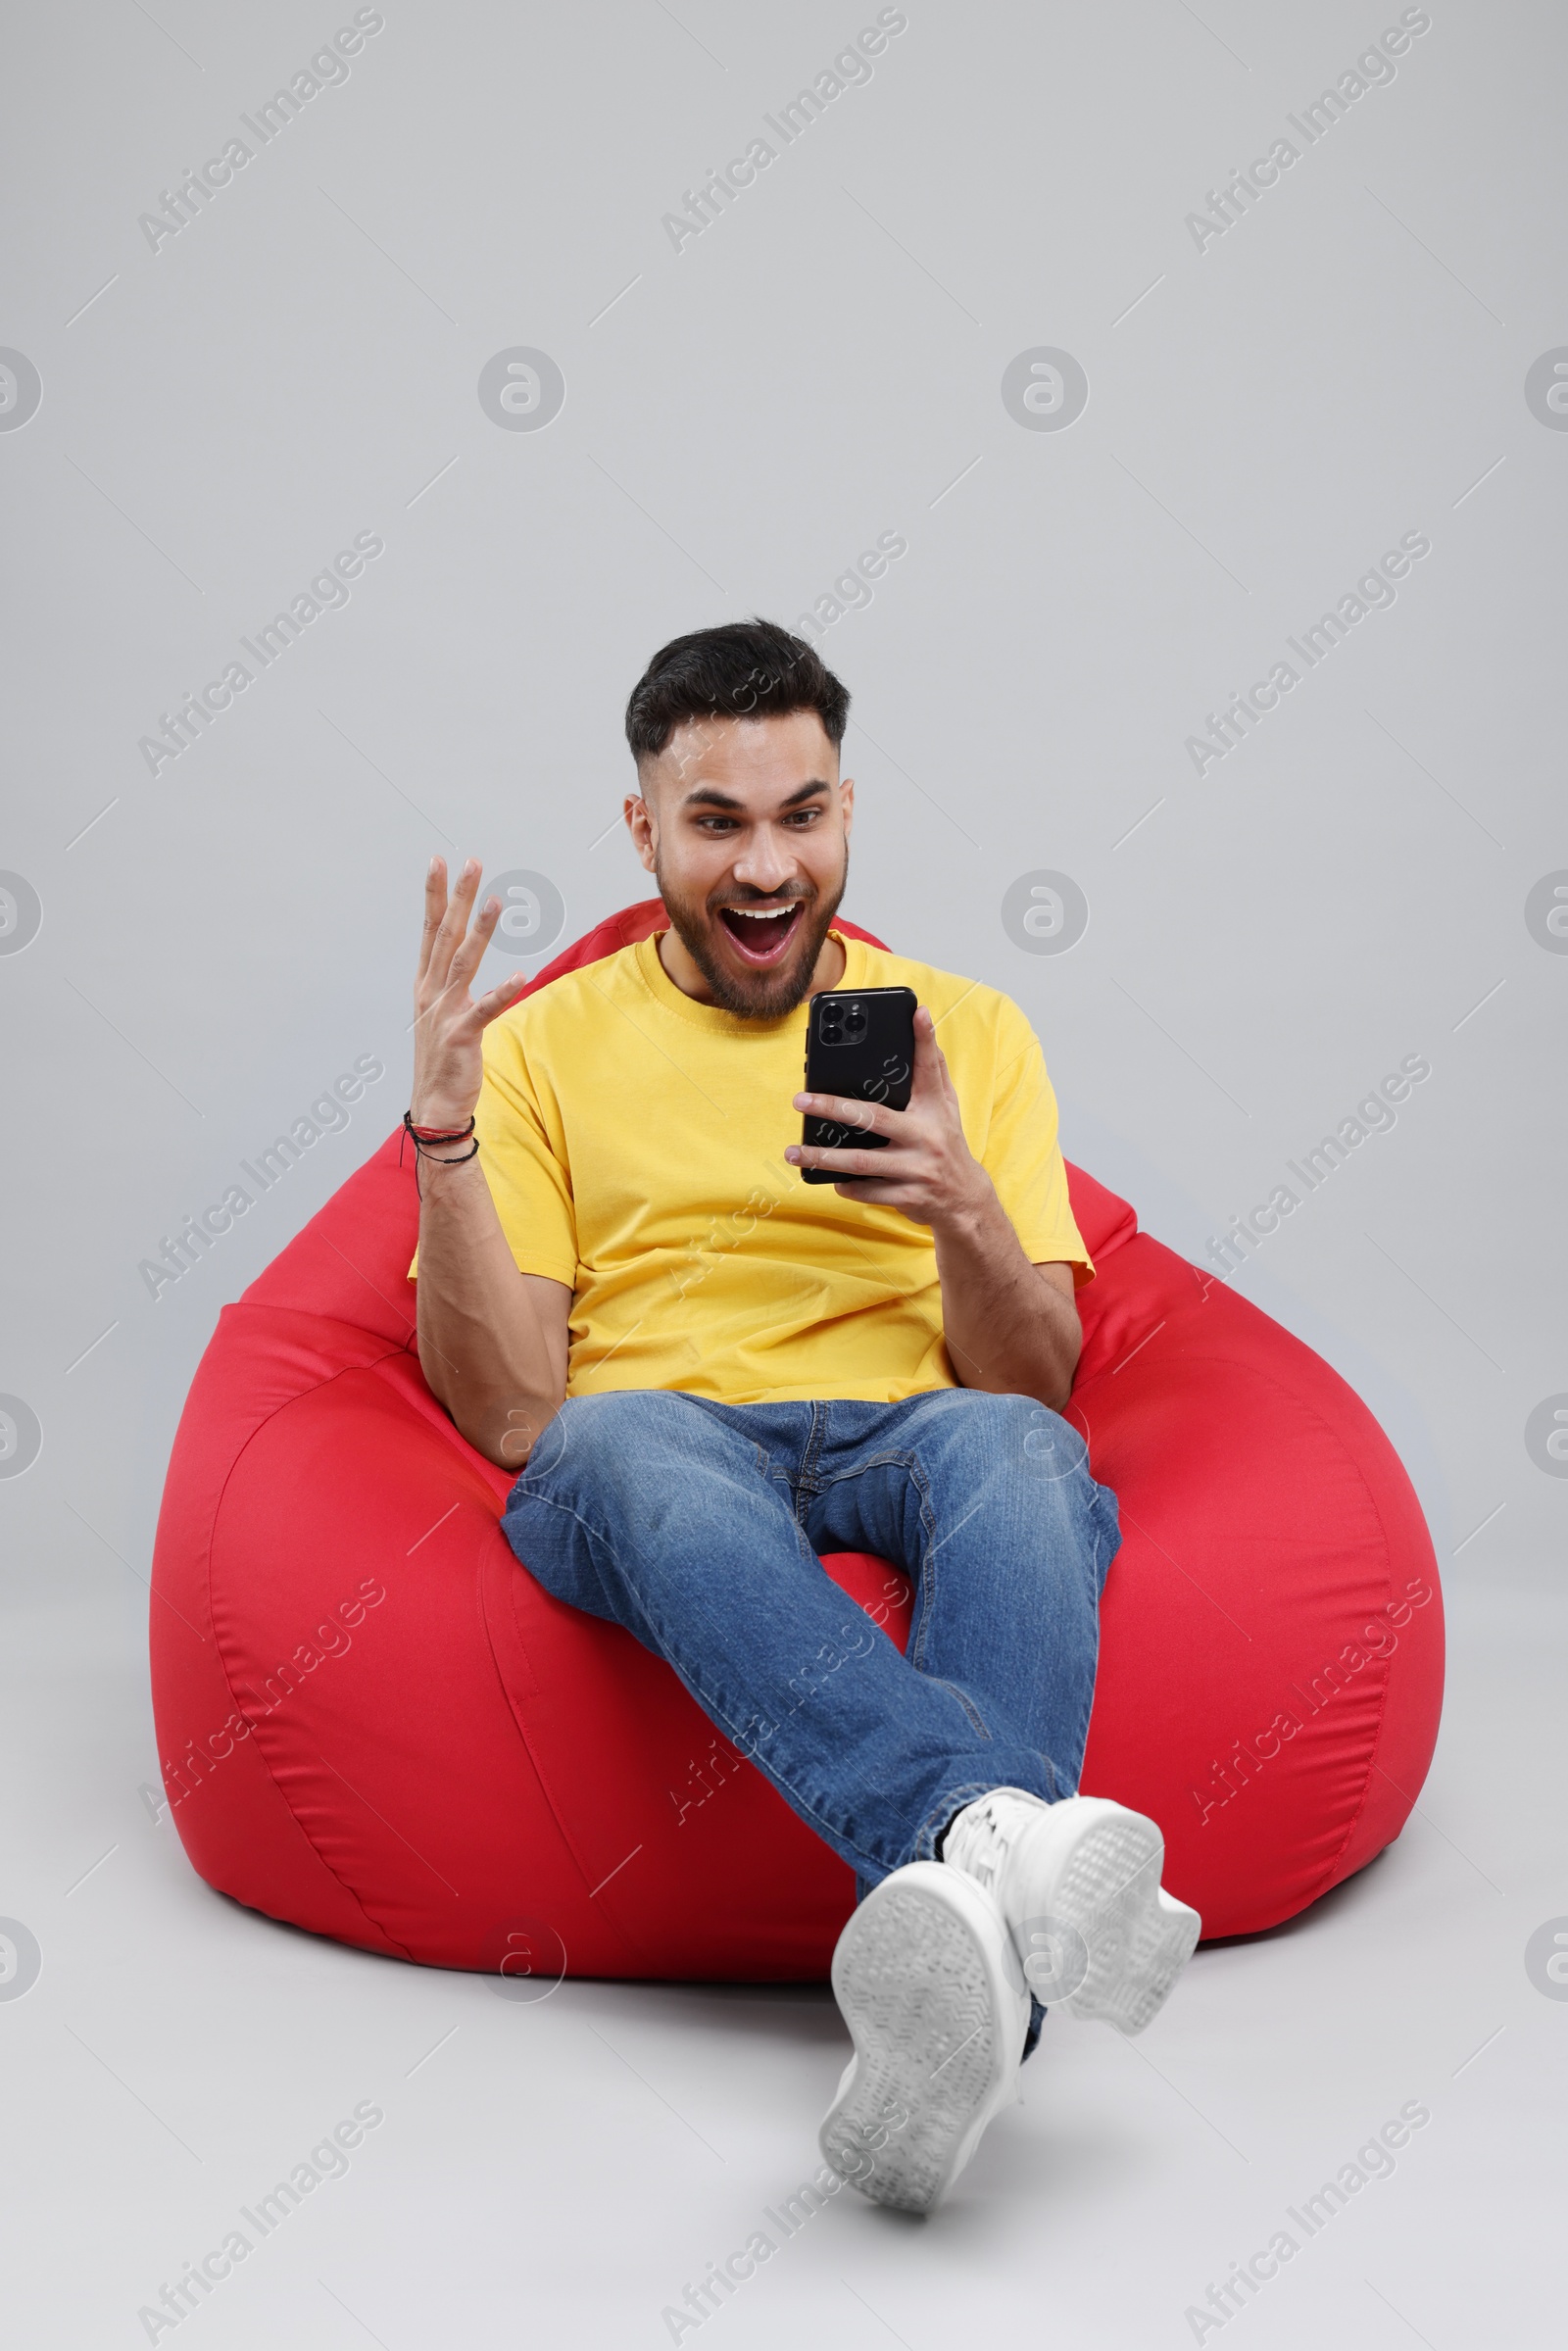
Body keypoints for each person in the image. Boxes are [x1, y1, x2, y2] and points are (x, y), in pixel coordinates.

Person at [406, 618, 1199, 2212]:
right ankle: (1008, 1840)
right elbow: (511, 1415)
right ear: (644, 832)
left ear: (849, 810)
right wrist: (443, 1136)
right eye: (718, 824)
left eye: (803, 814)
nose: (767, 867)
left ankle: (955, 1986)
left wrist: (963, 1207)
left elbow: (1034, 1378)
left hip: (915, 1423)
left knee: (1030, 1452)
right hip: (661, 1443)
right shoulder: (546, 1048)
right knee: (615, 1439)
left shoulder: (963, 1031)